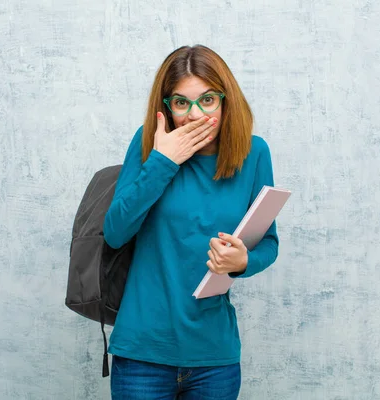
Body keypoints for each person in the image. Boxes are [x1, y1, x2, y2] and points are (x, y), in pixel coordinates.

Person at [103, 44, 280, 400]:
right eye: (182, 103)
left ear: (225, 100)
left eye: (207, 100)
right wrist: (163, 161)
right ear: (166, 106)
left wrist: (243, 261)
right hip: (143, 353)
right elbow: (115, 232)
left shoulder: (254, 152)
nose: (195, 115)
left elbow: (268, 244)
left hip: (214, 357)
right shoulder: (148, 144)